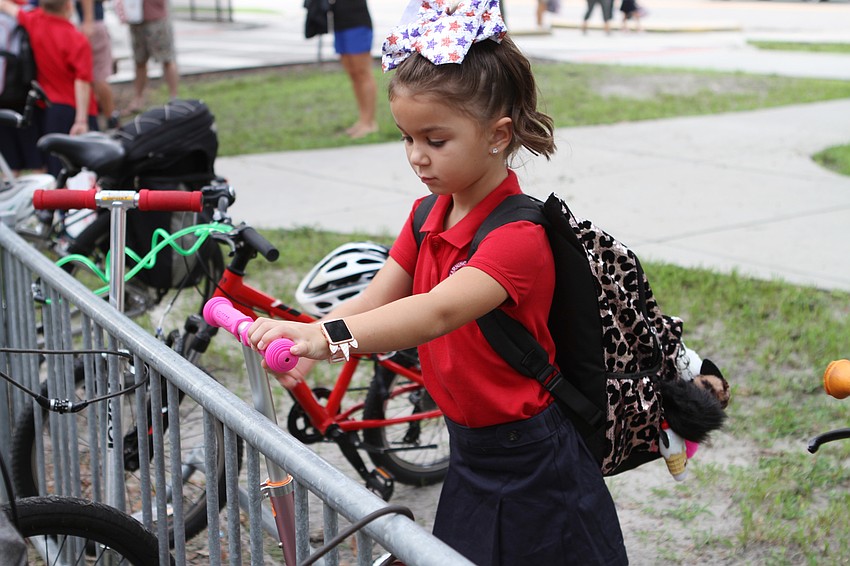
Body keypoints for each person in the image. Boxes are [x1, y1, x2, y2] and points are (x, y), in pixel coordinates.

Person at [247, 0, 629, 563]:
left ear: (498, 134)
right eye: (407, 138)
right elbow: (377, 298)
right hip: (471, 448)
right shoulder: (427, 215)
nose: (417, 157)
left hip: (533, 456)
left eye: (435, 140)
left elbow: (435, 312)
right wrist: (311, 339)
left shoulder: (517, 238)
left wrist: (327, 340)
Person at [0, 0, 98, 177]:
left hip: (50, 109)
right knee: (86, 168)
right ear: (69, 6)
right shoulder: (77, 38)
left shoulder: (34, 21)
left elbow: (6, 6)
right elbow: (82, 80)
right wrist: (81, 120)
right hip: (77, 109)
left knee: (57, 167)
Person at [331, 0, 377, 139]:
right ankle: (362, 120)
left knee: (362, 73)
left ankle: (369, 123)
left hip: (357, 21)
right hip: (339, 21)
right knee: (353, 74)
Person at [125, 0, 178, 115]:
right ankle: (138, 99)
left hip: (157, 17)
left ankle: (174, 98)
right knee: (139, 61)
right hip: (136, 17)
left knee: (167, 59)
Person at [76, 0, 118, 128]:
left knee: (98, 77)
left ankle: (111, 118)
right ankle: (110, 118)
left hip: (91, 25)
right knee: (96, 76)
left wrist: (88, 21)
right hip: (93, 24)